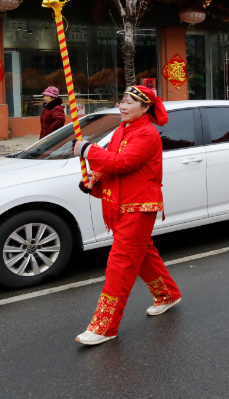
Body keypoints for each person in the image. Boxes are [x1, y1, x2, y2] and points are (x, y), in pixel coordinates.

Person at [72, 86, 181, 346]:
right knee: (141, 253)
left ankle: (105, 326)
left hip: (139, 205)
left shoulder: (147, 133)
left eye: (130, 102)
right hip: (121, 202)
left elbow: (122, 163)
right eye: (122, 100)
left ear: (145, 108)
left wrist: (87, 150)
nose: (123, 106)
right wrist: (93, 180)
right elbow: (110, 159)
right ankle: (167, 294)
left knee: (120, 263)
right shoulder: (122, 129)